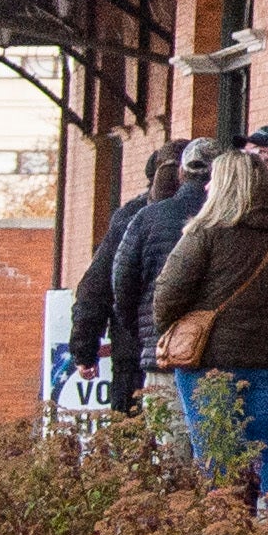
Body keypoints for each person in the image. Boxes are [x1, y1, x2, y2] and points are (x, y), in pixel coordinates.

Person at [148, 141, 268, 496]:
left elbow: (167, 294)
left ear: (224, 184)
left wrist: (171, 326)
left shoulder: (206, 233)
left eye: (212, 179)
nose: (205, 186)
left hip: (211, 361)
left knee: (217, 449)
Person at [65, 143, 178, 409]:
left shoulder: (131, 216)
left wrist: (84, 349)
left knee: (134, 435)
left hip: (134, 351)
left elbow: (96, 286)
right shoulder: (211, 212)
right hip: (192, 350)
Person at [113, 136, 218, 395]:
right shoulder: (231, 218)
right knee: (219, 434)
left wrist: (143, 331)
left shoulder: (148, 217)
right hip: (219, 357)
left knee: (168, 433)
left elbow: (122, 283)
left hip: (164, 352)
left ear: (181, 173)